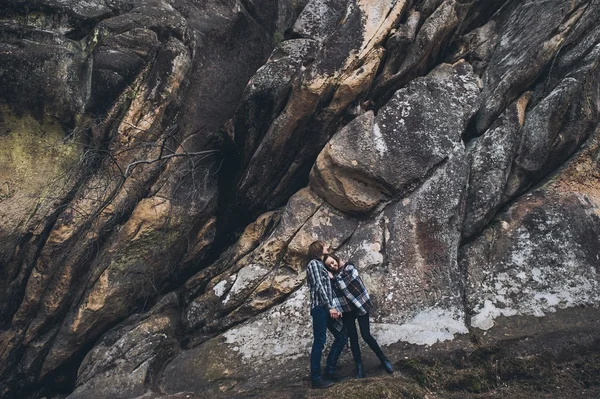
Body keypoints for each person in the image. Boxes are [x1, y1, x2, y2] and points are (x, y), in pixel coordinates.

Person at [323, 253, 394, 378]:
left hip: (360, 304)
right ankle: (359, 368)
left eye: (333, 262)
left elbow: (346, 284)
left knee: (366, 335)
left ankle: (383, 359)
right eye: (330, 265)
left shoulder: (349, 267)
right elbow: (332, 293)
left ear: (336, 259)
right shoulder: (332, 279)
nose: (333, 266)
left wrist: (333, 278)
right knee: (353, 339)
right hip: (347, 309)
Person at [306, 241, 348, 389]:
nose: (327, 248)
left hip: (327, 308)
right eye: (324, 246)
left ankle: (330, 370)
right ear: (318, 249)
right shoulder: (314, 264)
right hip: (320, 308)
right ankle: (316, 379)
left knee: (342, 337)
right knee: (319, 341)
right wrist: (330, 307)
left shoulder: (322, 266)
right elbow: (318, 286)